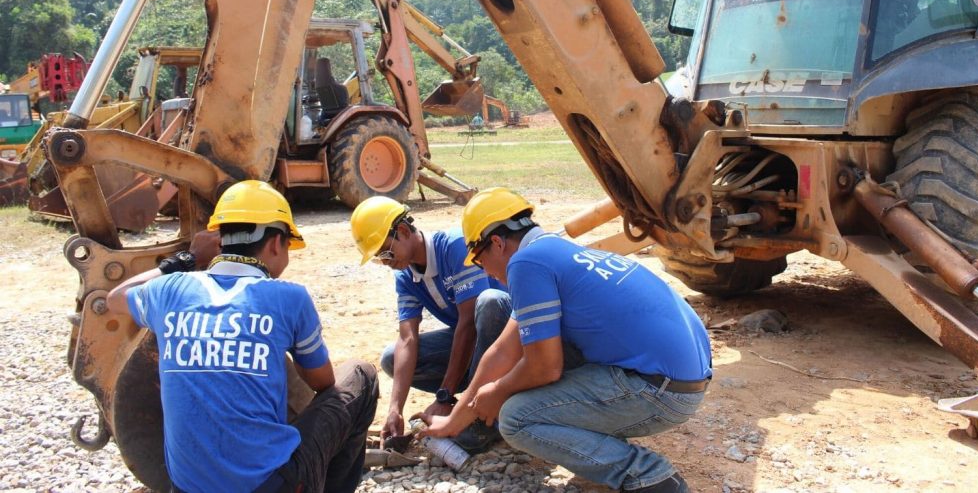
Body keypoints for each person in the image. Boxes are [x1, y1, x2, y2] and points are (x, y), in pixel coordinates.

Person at [423, 187, 712, 493]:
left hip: (660, 392)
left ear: (496, 243)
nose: (489, 274)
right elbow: (502, 352)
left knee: (516, 418)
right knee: (534, 383)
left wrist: (497, 391)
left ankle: (647, 474)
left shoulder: (526, 264)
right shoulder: (552, 251)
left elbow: (545, 368)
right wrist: (456, 420)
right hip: (682, 381)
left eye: (480, 261)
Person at [108, 180, 378, 493]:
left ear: (219, 239)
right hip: (271, 486)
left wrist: (188, 258)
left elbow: (115, 297)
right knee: (362, 374)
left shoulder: (170, 291)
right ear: (276, 243)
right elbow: (322, 382)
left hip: (186, 488)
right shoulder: (288, 298)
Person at [350, 195, 512, 452]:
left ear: (403, 231)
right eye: (379, 257)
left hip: (511, 340)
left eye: (386, 251)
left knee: (489, 303)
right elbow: (407, 339)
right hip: (478, 346)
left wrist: (445, 396)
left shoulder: (454, 246)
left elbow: (469, 323)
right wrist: (395, 409)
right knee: (392, 358)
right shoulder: (406, 277)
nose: (386, 262)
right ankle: (475, 400)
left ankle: (481, 417)